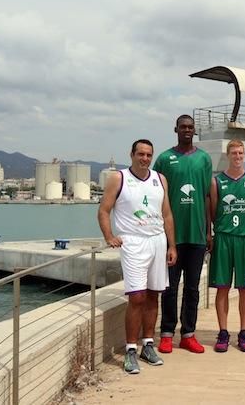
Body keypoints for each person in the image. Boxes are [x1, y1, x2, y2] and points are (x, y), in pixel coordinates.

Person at [98, 139, 178, 374]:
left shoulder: (160, 179)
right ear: (131, 154)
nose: (144, 158)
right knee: (137, 297)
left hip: (157, 241)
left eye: (148, 155)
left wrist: (172, 245)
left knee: (154, 295)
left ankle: (148, 345)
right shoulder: (118, 178)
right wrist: (109, 235)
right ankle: (131, 349)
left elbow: (167, 215)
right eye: (140, 154)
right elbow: (104, 210)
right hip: (133, 242)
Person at [154, 115, 213, 354]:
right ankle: (166, 333)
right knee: (169, 287)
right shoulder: (164, 159)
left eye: (190, 127)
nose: (187, 130)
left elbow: (208, 197)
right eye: (183, 127)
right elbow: (156, 194)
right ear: (175, 129)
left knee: (192, 289)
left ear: (194, 130)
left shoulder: (204, 158)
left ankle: (188, 334)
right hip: (171, 238)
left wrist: (209, 231)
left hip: (197, 236)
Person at [208, 139, 245, 352]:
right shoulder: (217, 182)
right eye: (234, 153)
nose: (237, 156)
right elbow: (213, 211)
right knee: (222, 288)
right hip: (223, 238)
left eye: (241, 153)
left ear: (244, 155)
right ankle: (223, 332)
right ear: (228, 155)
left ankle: (244, 332)